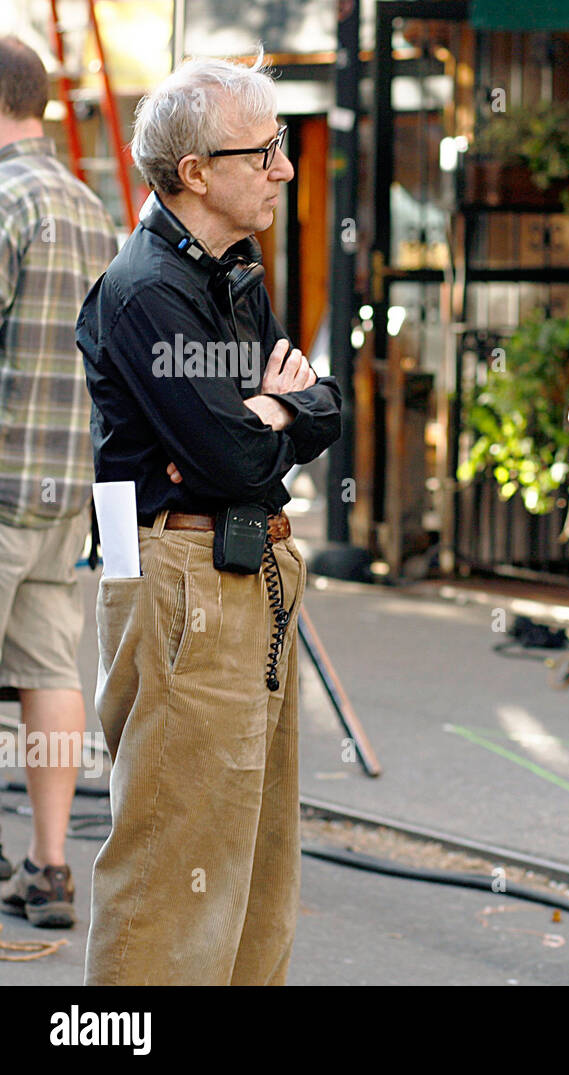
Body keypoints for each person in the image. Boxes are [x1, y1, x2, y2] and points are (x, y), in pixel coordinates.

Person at [77, 56, 340, 984]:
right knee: (172, 867)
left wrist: (271, 413)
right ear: (196, 172)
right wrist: (271, 415)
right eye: (265, 149)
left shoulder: (228, 272)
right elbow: (229, 457)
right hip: (187, 571)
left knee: (253, 857)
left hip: (239, 569)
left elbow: (321, 404)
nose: (286, 167)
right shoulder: (146, 288)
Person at [0, 36, 117, 929]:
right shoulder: (88, 206)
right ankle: (48, 864)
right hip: (66, 493)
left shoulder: (2, 202)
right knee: (50, 671)